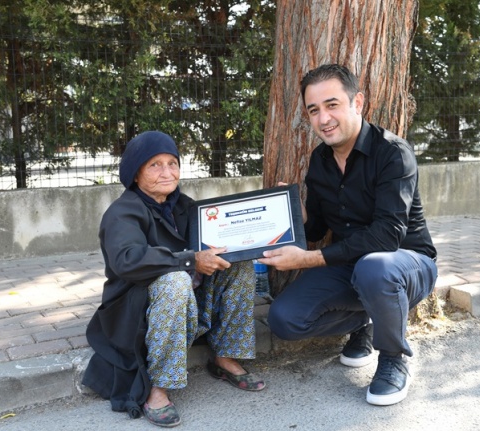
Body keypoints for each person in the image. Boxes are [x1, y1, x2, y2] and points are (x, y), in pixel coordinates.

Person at [261, 64, 437, 406]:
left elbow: (387, 236)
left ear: (357, 102)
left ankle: (392, 358)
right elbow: (315, 231)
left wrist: (309, 259)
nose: (324, 118)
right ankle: (369, 318)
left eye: (332, 105)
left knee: (376, 268)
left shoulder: (392, 153)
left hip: (406, 264)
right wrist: (295, 212)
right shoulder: (320, 161)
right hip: (351, 266)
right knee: (284, 319)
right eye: (314, 110)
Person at [82, 131, 265, 428]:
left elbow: (214, 238)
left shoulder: (183, 205)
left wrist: (257, 235)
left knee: (237, 265)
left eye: (172, 163)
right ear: (135, 173)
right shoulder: (122, 213)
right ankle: (158, 387)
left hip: (180, 301)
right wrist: (190, 260)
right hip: (134, 307)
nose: (167, 172)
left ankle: (225, 357)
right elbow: (128, 261)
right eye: (155, 165)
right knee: (175, 280)